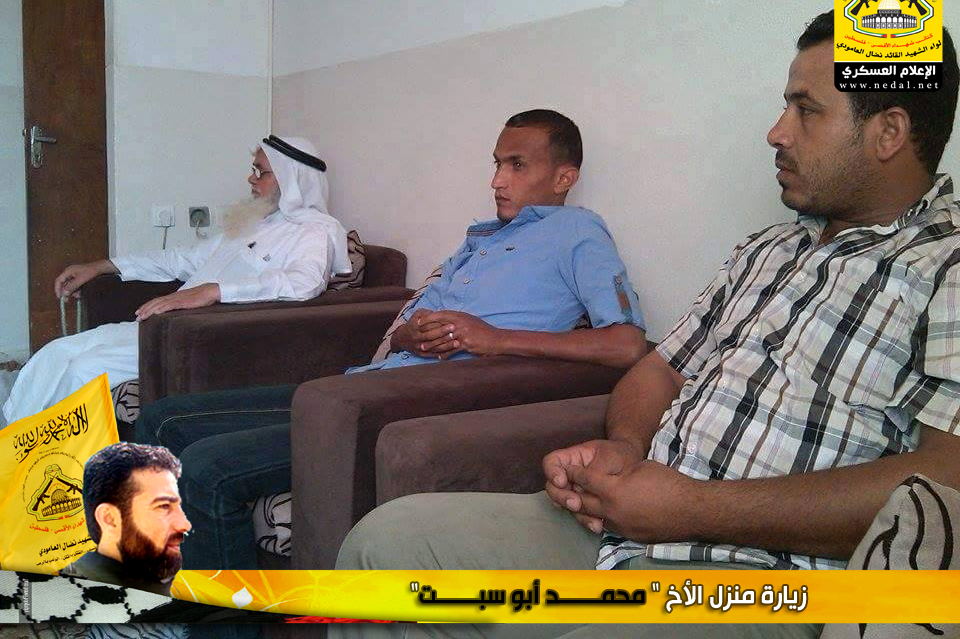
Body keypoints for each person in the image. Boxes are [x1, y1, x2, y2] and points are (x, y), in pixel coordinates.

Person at [332, 11, 960, 639]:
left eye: (807, 110)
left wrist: (690, 508)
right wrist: (627, 448)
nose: (777, 132)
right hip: (623, 531)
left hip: (766, 581)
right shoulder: (767, 250)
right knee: (382, 550)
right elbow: (658, 367)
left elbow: (947, 482)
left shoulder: (944, 265)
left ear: (888, 132)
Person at [136, 109, 649, 569]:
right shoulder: (483, 239)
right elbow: (407, 326)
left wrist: (494, 338)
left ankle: (213, 623)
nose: (497, 180)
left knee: (207, 470)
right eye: (496, 164)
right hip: (371, 380)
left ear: (564, 178)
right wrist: (410, 334)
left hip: (414, 403)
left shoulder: (578, 233)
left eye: (517, 166)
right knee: (163, 418)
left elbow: (627, 344)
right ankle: (154, 574)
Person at [2, 136, 351, 427]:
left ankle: (56, 465)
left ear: (292, 179)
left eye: (262, 172)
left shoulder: (314, 232)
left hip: (198, 337)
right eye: (254, 169)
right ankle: (13, 446)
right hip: (163, 324)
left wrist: (213, 291)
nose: (251, 178)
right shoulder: (255, 222)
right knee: (55, 353)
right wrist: (103, 266)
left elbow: (304, 283)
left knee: (84, 369)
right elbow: (180, 259)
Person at [60, 442, 191, 596]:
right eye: (163, 506)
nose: (184, 524)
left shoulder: (187, 585)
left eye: (178, 507)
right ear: (110, 519)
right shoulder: (70, 599)